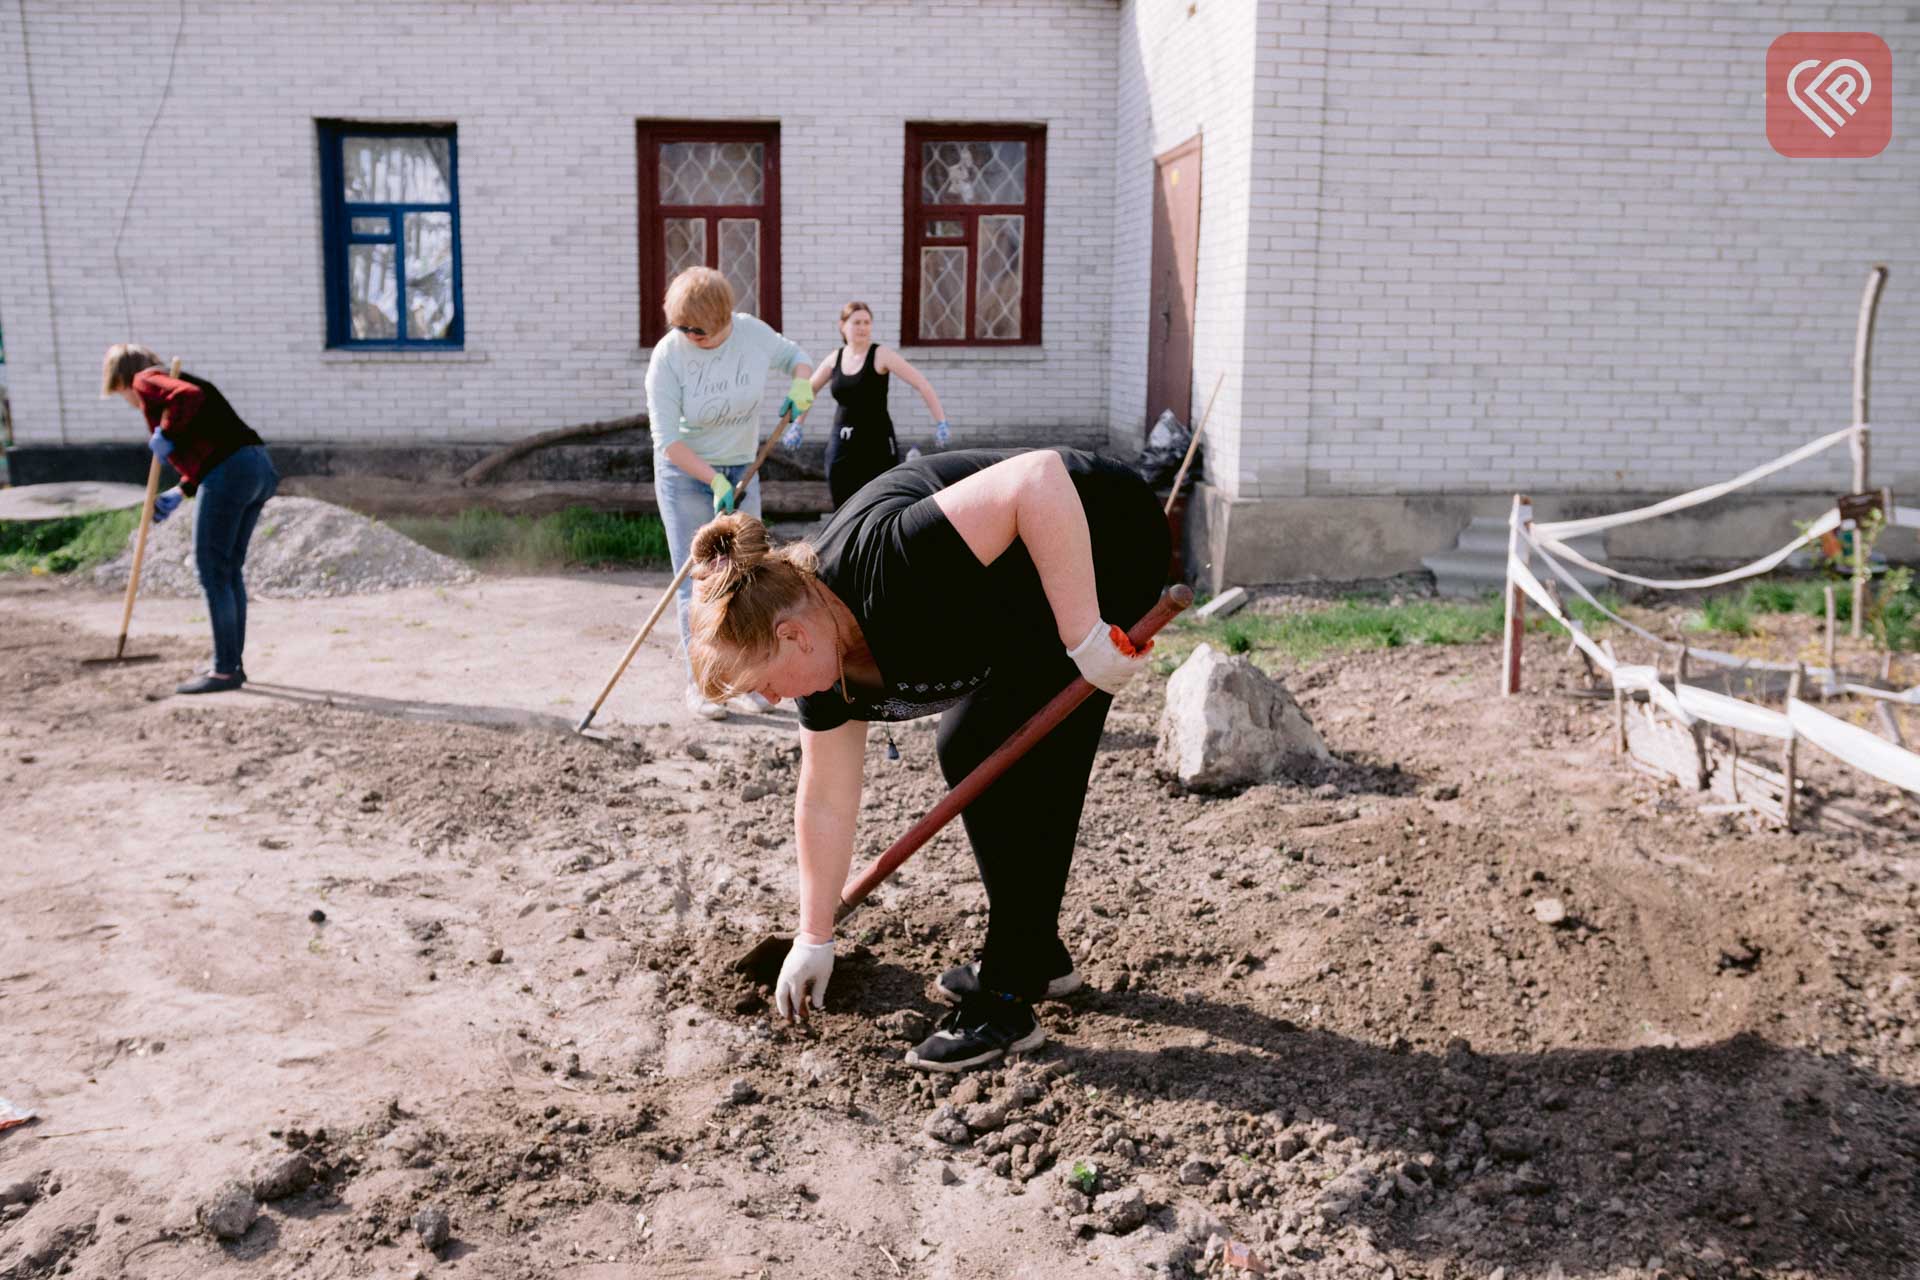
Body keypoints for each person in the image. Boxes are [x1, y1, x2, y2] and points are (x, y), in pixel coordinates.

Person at [686, 447, 1168, 1072]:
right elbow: (825, 795)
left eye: (765, 683)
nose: (773, 699)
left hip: (1098, 535)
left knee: (1011, 752)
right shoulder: (823, 659)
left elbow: (1037, 479)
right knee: (973, 745)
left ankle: (1008, 995)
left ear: (792, 636)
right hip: (1019, 590)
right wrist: (813, 934)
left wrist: (1084, 635)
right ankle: (1035, 955)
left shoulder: (889, 564)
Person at [644, 267, 815, 720]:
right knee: (699, 584)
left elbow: (798, 358)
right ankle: (705, 686)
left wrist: (801, 385)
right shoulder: (668, 357)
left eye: (696, 329)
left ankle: (754, 680)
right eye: (680, 327)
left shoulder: (751, 335)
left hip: (743, 467)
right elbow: (667, 440)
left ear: (722, 320)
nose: (687, 335)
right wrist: (713, 480)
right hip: (686, 476)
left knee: (749, 577)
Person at [100, 343, 278, 695]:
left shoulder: (146, 380)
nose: (128, 399)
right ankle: (230, 665)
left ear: (120, 379)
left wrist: (165, 433)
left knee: (212, 569)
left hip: (232, 471)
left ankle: (225, 670)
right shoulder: (165, 379)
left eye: (120, 393)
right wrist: (180, 491)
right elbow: (211, 444)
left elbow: (188, 397)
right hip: (257, 468)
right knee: (227, 571)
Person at [793, 302, 949, 509]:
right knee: (842, 503)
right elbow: (808, 390)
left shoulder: (880, 354)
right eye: (856, 322)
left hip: (876, 443)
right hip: (842, 442)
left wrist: (941, 421)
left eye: (867, 322)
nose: (862, 327)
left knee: (878, 502)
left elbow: (921, 383)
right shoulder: (835, 358)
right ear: (842, 325)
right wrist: (797, 424)